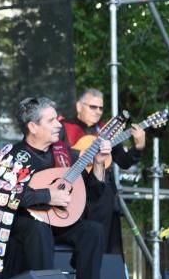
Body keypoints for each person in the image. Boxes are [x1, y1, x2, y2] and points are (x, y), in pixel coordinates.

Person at [0, 97, 107, 279]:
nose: (58, 125)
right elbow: (0, 194)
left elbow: (94, 193)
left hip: (56, 220)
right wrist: (47, 196)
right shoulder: (14, 156)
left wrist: (99, 164)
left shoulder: (64, 154)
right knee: (38, 227)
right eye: (51, 120)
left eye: (57, 119)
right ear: (33, 127)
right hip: (21, 222)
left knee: (93, 231)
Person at [62, 88, 145, 254]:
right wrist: (82, 154)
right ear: (79, 106)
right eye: (93, 107)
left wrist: (139, 146)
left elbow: (124, 161)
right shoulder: (65, 127)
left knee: (104, 239)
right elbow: (56, 152)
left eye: (101, 108)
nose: (98, 112)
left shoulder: (107, 130)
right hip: (72, 190)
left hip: (100, 196)